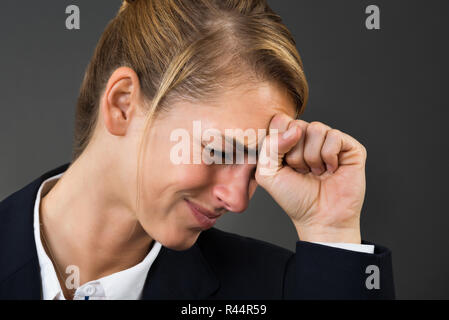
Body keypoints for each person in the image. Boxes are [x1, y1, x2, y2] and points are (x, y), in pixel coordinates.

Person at [0, 0, 394, 300]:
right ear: (123, 104)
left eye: (257, 164)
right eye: (221, 153)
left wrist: (331, 230)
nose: (237, 200)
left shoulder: (276, 288)